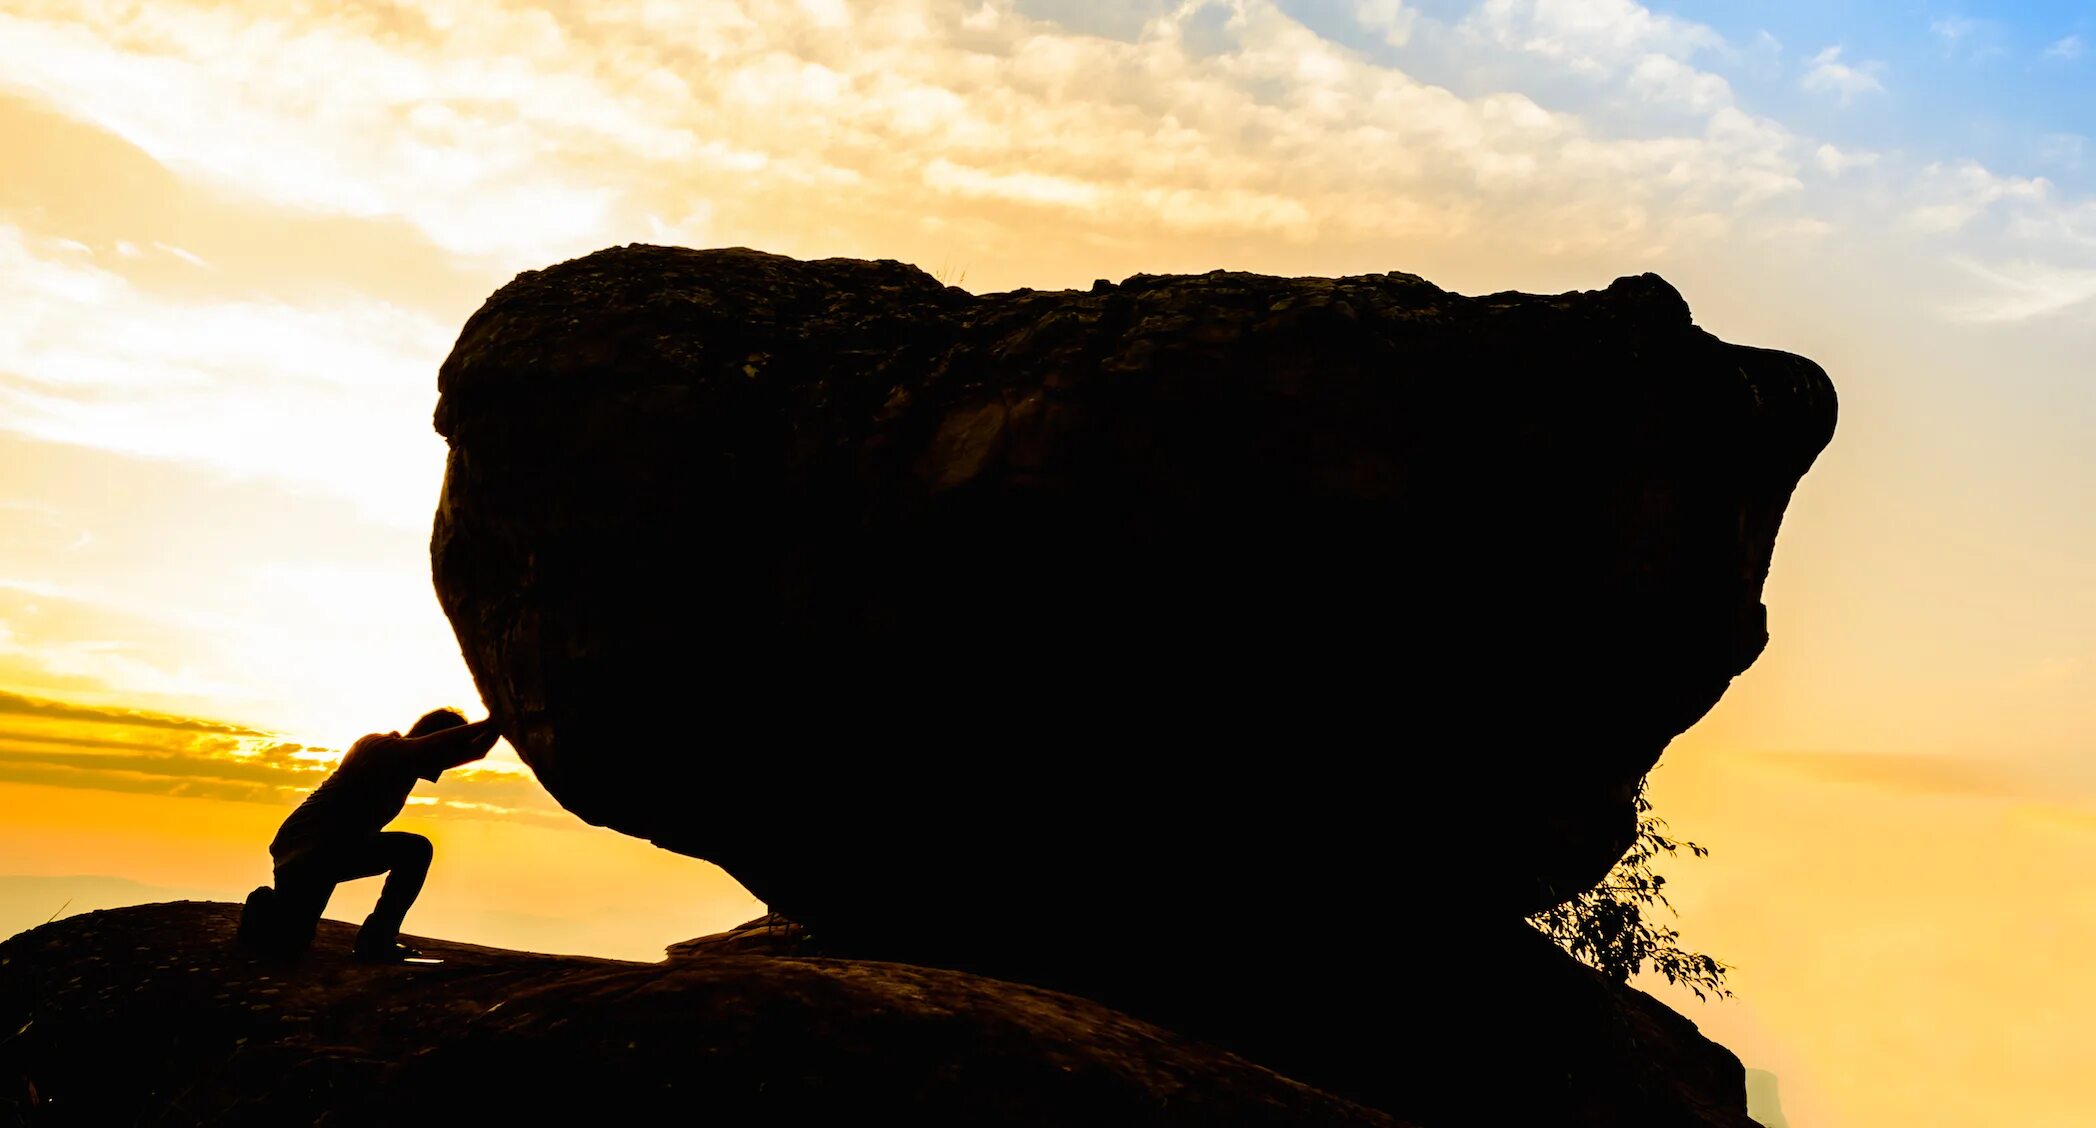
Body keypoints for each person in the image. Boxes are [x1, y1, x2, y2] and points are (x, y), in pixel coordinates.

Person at [253, 708, 501, 962]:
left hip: (328, 851)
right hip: (312, 851)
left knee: (292, 940)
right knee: (416, 850)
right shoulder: (382, 748)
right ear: (434, 741)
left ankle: (266, 911)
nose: (444, 766)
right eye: (445, 753)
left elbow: (475, 752)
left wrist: (503, 723)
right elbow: (438, 746)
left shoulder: (407, 761)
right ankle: (377, 941)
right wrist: (496, 720)